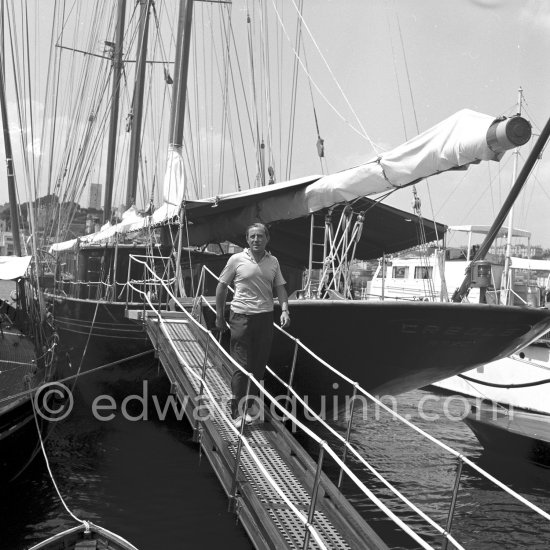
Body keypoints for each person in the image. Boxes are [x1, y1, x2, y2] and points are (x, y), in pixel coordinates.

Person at [215, 223, 290, 427]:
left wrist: (284, 310)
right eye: (252, 236)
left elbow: (280, 287)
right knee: (242, 365)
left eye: (260, 236)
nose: (256, 240)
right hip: (240, 316)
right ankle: (237, 412)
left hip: (265, 318)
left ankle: (249, 406)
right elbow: (221, 287)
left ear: (267, 239)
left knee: (258, 365)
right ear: (247, 240)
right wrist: (219, 316)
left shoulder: (273, 261)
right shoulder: (236, 260)